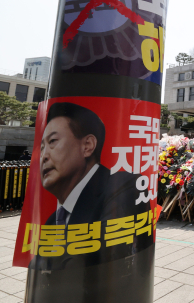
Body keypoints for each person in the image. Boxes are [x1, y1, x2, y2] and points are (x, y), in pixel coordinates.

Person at [31, 102, 152, 270]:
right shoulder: (53, 221)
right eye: (42, 147)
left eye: (53, 141)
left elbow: (104, 261)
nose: (43, 156)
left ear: (87, 146)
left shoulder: (123, 186)